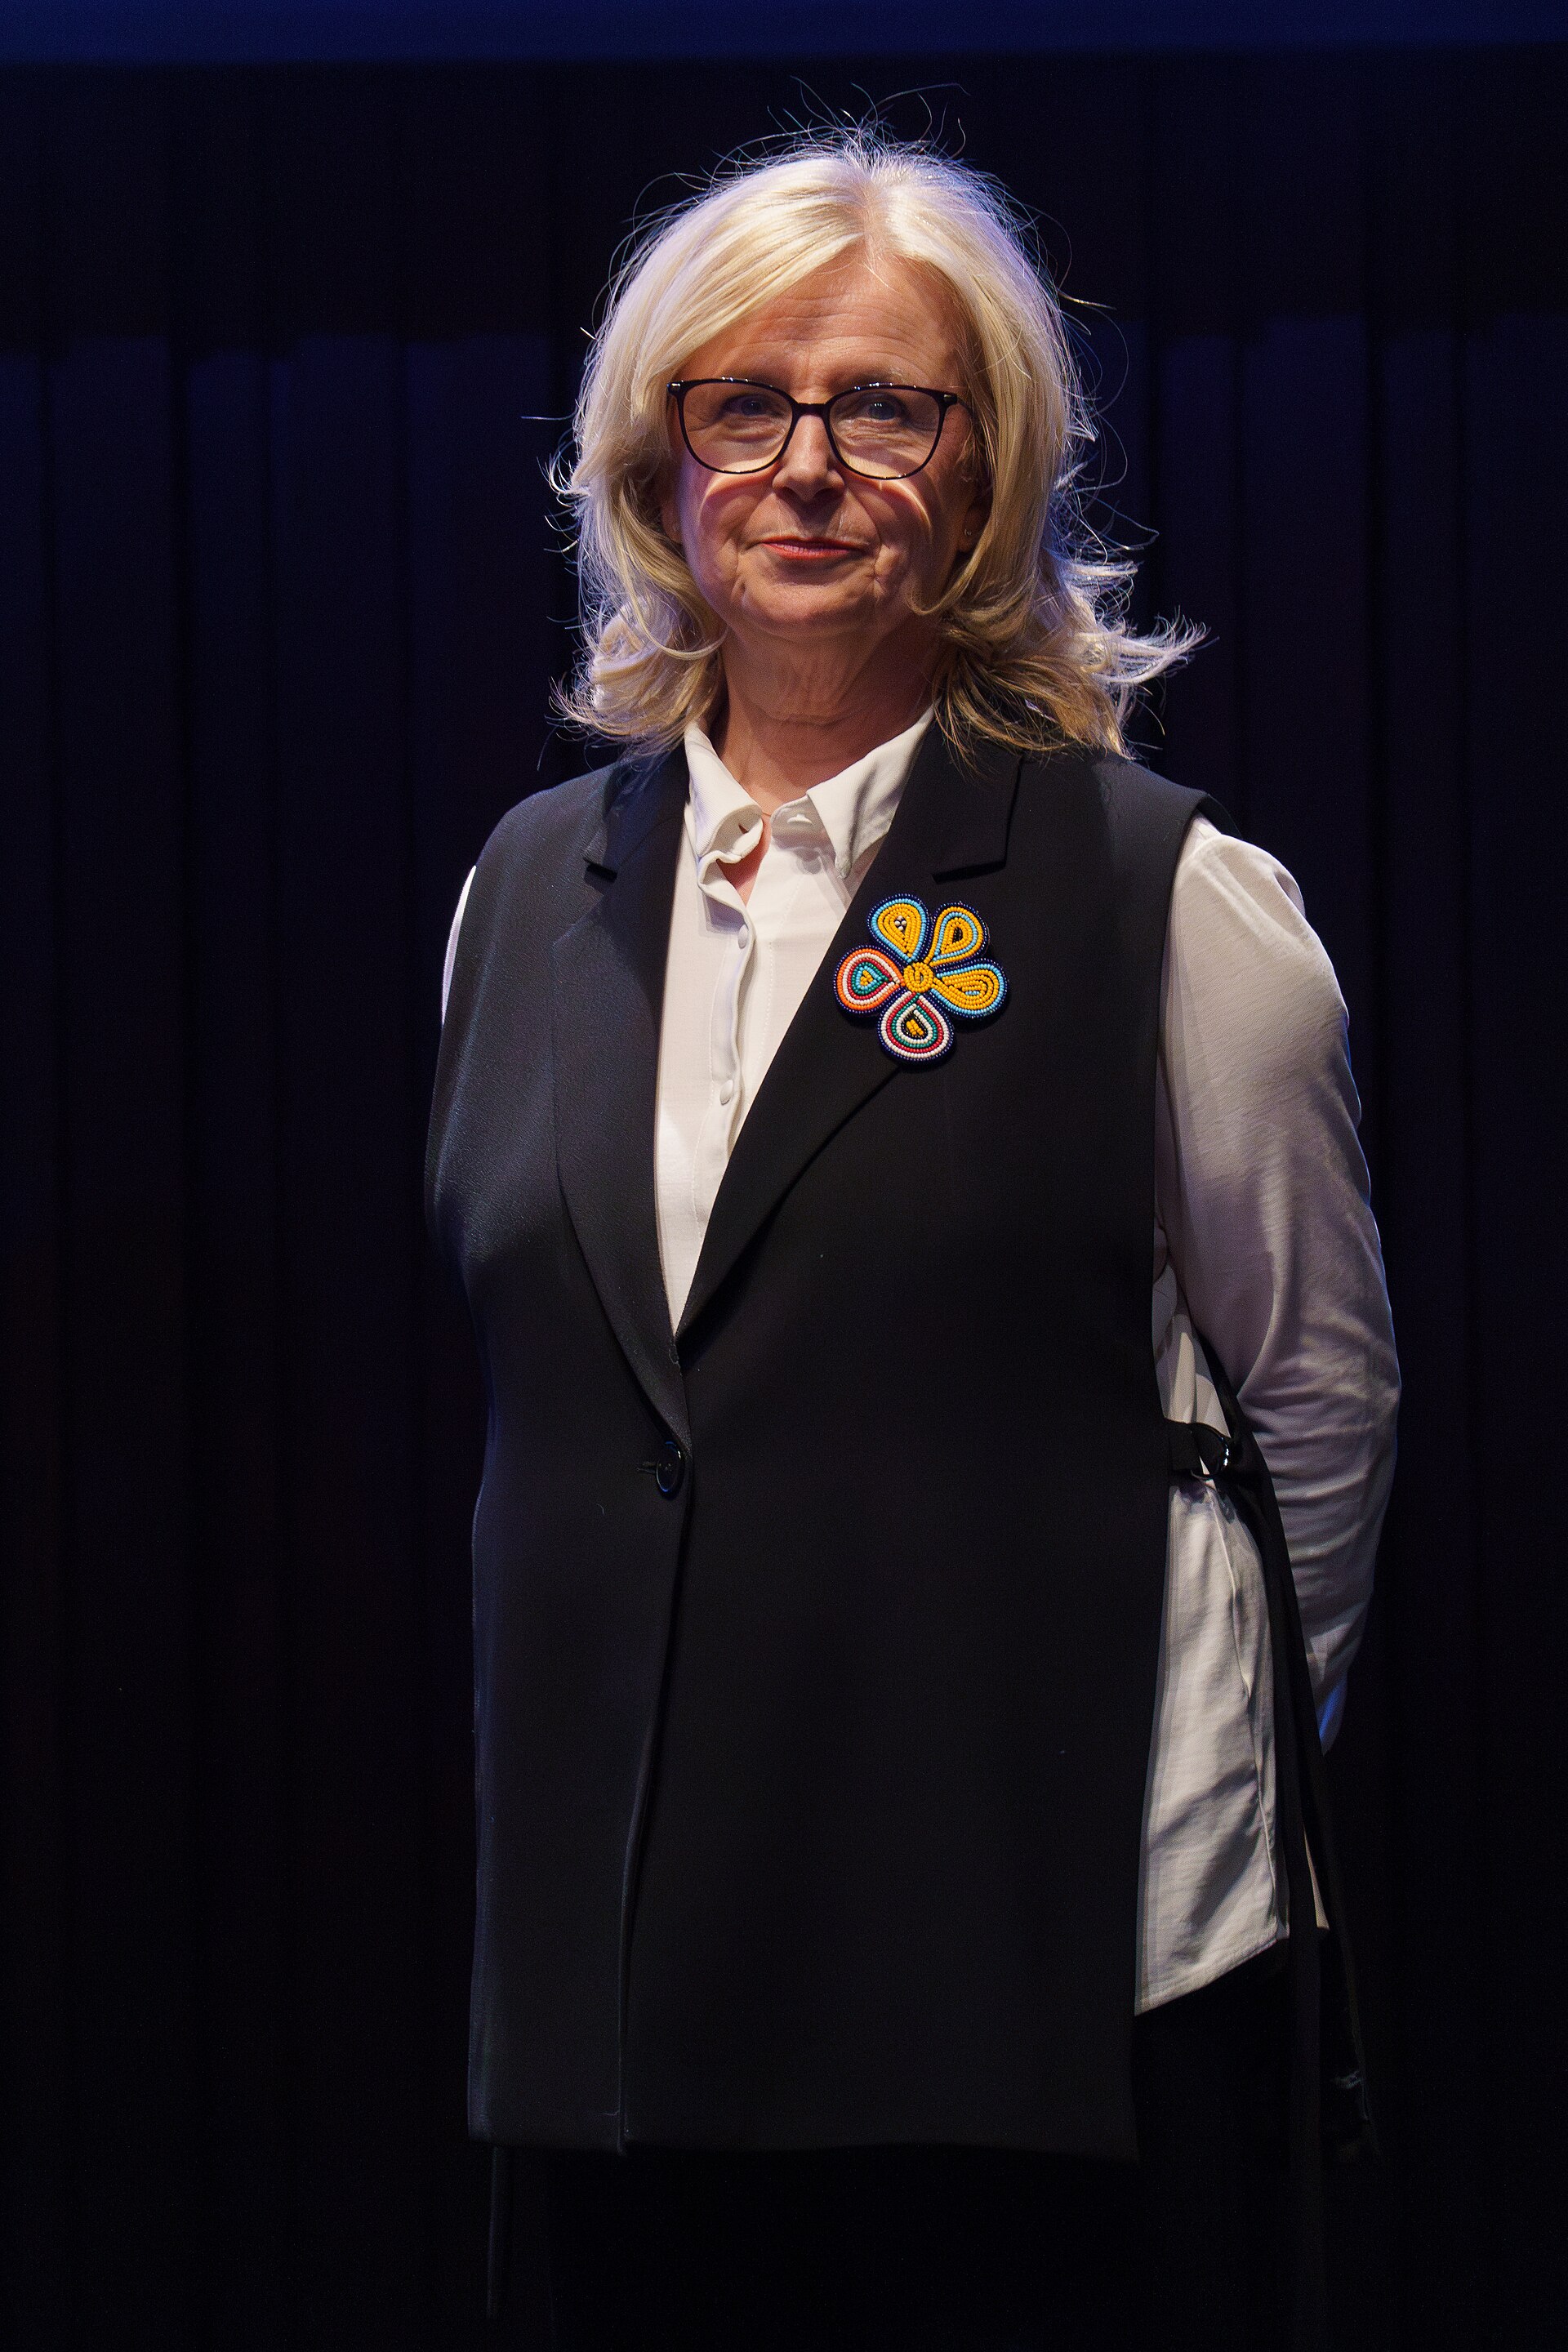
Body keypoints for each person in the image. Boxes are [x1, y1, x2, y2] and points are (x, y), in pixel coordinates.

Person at [426, 132, 1398, 2351]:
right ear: (654, 462)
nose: (808, 466)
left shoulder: (1171, 898)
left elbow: (1316, 1414)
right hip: (625, 2004)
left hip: (1037, 1988)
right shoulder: (523, 894)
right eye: (741, 404)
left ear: (987, 471)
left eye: (885, 405)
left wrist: (1160, 1797)